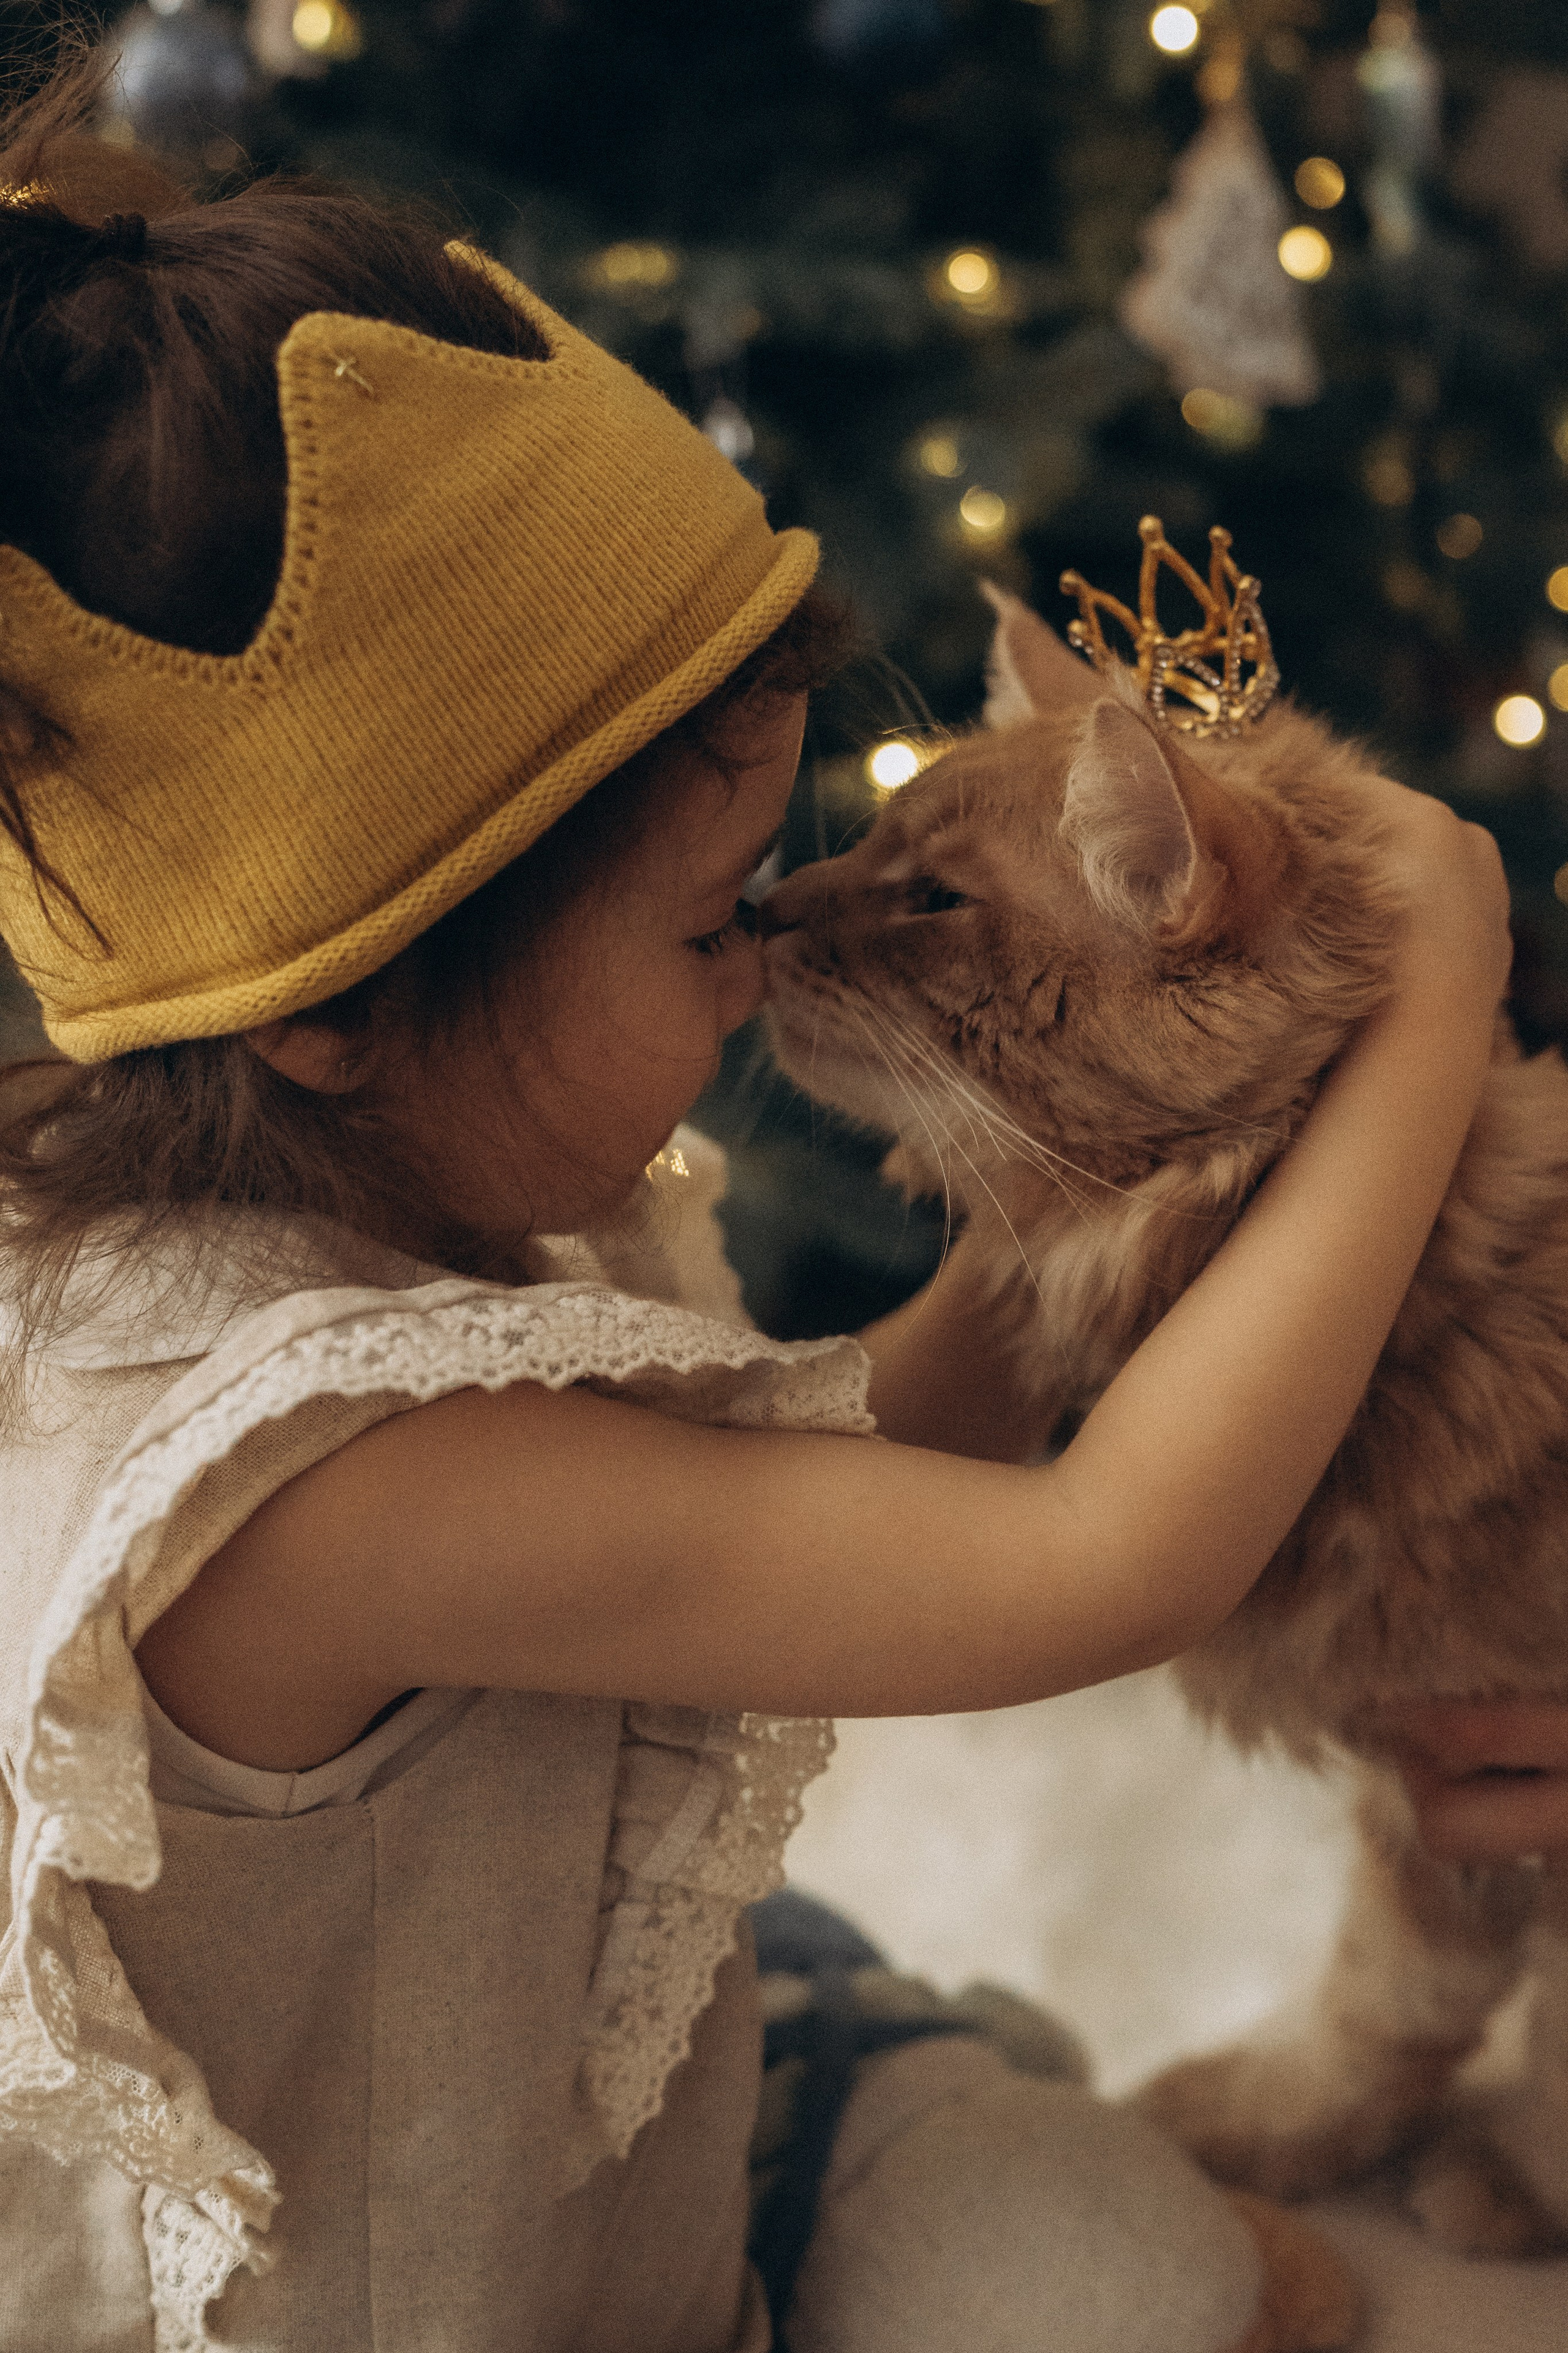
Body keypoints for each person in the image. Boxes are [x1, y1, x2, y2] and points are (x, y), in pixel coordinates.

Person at [0, 51, 1529, 2353]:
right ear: (344, 1008)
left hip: (586, 2066)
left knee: (1029, 2175)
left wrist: (1170, 1122)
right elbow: (1104, 1562)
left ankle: (822, 2031)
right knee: (1127, 2284)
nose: (772, 951)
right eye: (713, 914)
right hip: (440, 2290)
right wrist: (1439, 981)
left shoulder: (388, 1193)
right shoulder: (327, 1483)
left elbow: (871, 1445)